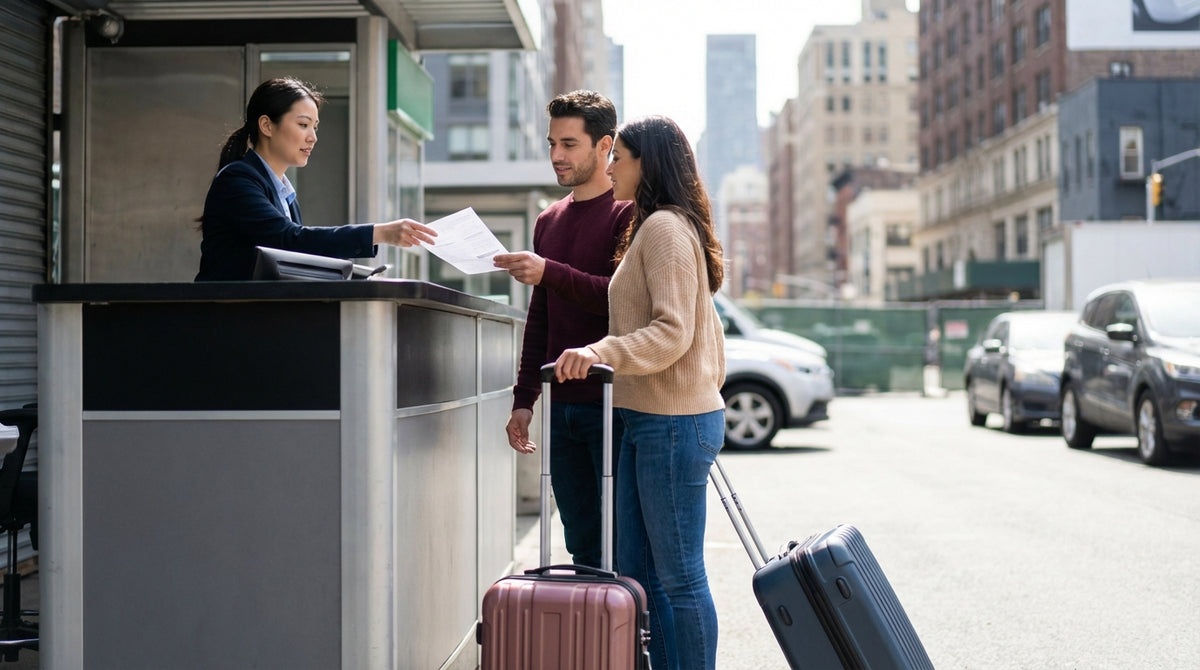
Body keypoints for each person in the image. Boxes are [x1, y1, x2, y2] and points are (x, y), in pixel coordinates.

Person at [551, 115, 726, 670]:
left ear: (645, 163)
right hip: (643, 417)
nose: (609, 166)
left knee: (678, 576)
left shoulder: (667, 230)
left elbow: (675, 331)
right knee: (638, 572)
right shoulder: (652, 225)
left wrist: (602, 351)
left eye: (618, 156)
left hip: (672, 423)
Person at [493, 90, 633, 569]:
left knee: (622, 543)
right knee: (581, 545)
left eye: (569, 144)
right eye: (552, 143)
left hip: (614, 405)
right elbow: (541, 317)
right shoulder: (547, 220)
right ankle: (593, 641)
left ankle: (632, 642)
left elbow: (620, 299)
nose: (556, 155)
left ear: (604, 145)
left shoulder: (628, 213)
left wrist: (549, 270)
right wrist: (523, 400)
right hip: (560, 407)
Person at [195, 77, 436, 281]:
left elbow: (296, 261)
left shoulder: (285, 194)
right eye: (303, 125)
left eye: (315, 127)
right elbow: (289, 240)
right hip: (227, 322)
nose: (313, 137)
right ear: (267, 126)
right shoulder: (237, 180)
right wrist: (379, 233)